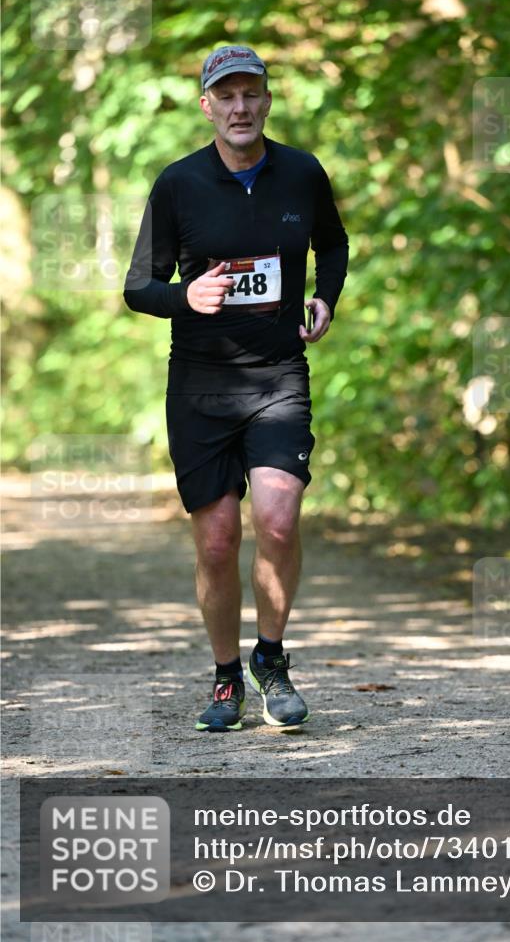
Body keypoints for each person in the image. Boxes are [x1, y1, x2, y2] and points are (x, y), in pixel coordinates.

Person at [124, 45, 348, 731]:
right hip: (199, 386)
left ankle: (272, 660)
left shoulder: (301, 173)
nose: (240, 107)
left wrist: (325, 297)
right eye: (226, 96)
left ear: (268, 100)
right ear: (207, 106)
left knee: (278, 520)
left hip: (279, 375)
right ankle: (226, 679)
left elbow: (331, 244)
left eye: (251, 93)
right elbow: (139, 289)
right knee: (217, 541)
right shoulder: (178, 184)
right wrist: (186, 295)